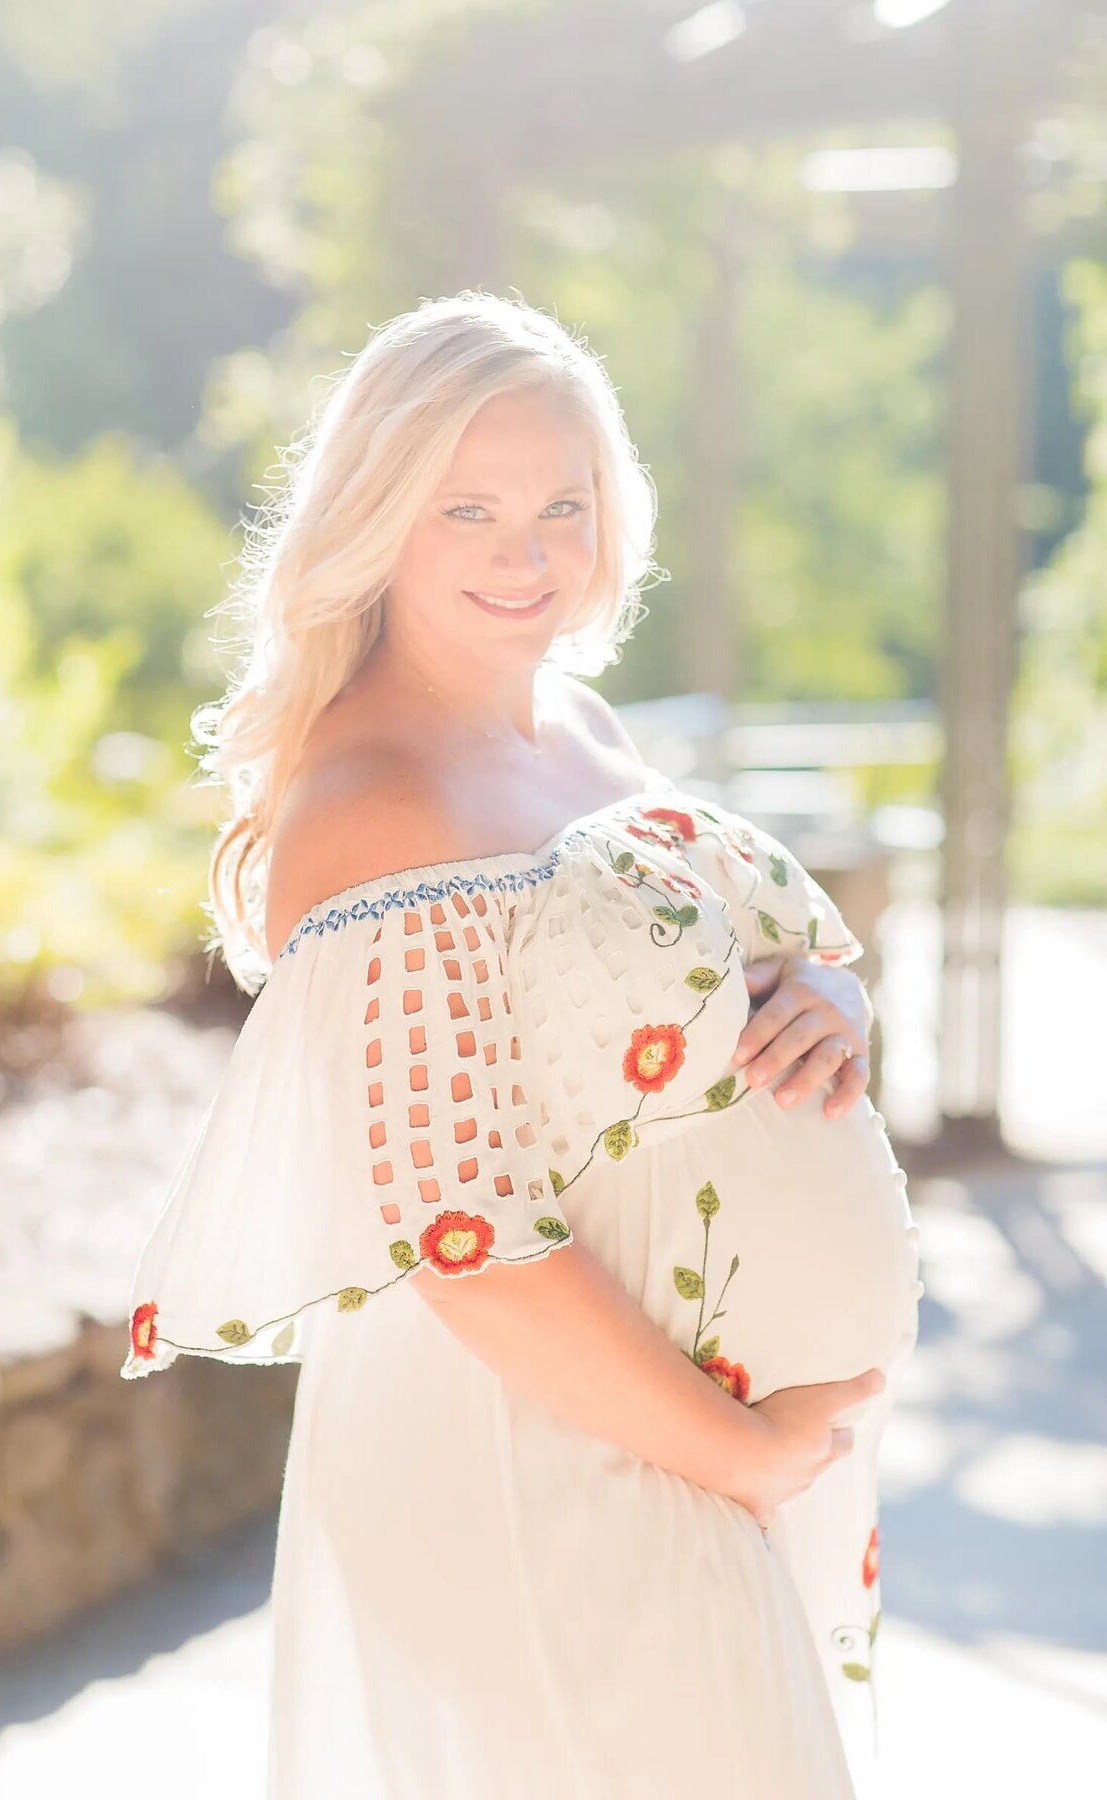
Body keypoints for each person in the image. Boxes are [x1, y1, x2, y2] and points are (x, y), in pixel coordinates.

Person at [121, 293, 922, 1799]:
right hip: (541, 1456)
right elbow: (457, 1225)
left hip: (676, 1442)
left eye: (564, 504)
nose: (526, 550)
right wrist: (736, 1456)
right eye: (467, 508)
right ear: (376, 518)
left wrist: (835, 1005)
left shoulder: (584, 728)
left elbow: (715, 973)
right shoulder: (374, 807)